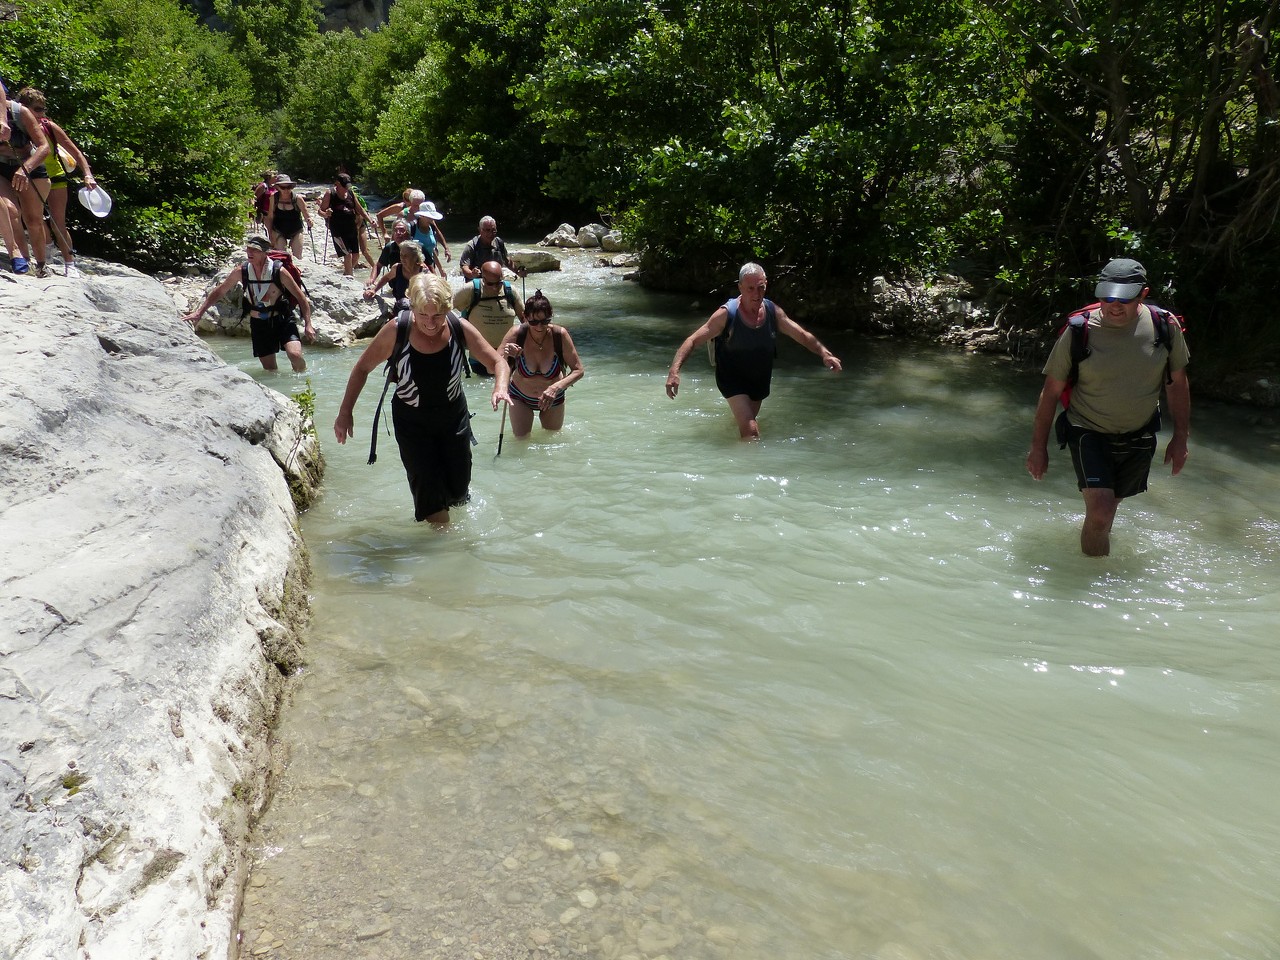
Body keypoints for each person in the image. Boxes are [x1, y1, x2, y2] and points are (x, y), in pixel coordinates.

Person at [1026, 257, 1191, 556]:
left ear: (1143, 293)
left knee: (1108, 509)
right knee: (1102, 511)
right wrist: (1038, 447)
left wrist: (1181, 438)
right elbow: (1050, 392)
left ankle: (1092, 538)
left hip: (1139, 433)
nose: (1114, 305)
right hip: (1088, 429)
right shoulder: (1078, 331)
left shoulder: (1164, 326)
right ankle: (1093, 587)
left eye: (1124, 299)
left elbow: (1176, 384)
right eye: (1107, 297)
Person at [333, 273, 510, 524]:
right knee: (430, 497)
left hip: (453, 417)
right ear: (412, 307)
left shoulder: (459, 327)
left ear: (447, 309)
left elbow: (497, 362)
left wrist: (500, 387)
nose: (430, 323)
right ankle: (446, 552)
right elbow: (362, 368)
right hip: (412, 421)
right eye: (423, 315)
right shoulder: (397, 330)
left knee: (459, 491)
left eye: (437, 315)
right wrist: (344, 413)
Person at [665, 262, 842, 439]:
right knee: (751, 431)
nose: (756, 294)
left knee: (748, 422)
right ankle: (745, 465)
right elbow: (693, 340)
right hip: (731, 377)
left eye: (761, 288)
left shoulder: (773, 312)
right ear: (740, 287)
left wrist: (824, 354)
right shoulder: (726, 314)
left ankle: (739, 435)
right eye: (750, 288)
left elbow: (802, 335)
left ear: (766, 285)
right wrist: (674, 371)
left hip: (759, 378)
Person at [182, 236, 314, 372]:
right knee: (270, 369)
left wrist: (308, 325)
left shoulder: (279, 272)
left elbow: (301, 297)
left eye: (255, 250)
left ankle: (303, 380)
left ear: (265, 252)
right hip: (259, 323)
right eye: (248, 249)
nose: (250, 253)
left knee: (295, 355)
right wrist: (199, 313)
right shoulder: (242, 271)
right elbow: (220, 291)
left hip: (282, 319)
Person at [15, 88, 94, 278]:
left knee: (58, 221)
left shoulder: (49, 126)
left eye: (44, 109)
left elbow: (75, 151)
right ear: (24, 108)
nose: (43, 113)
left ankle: (70, 263)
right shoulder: (16, 127)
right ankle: (46, 250)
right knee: (33, 219)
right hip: (31, 177)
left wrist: (87, 174)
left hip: (55, 176)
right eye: (38, 109)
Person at [498, 289, 584, 438]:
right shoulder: (516, 333)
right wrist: (506, 352)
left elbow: (578, 370)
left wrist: (556, 387)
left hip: (553, 397)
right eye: (533, 322)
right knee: (521, 441)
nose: (539, 327)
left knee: (552, 441)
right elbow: (493, 364)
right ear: (525, 317)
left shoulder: (559, 335)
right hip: (520, 396)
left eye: (545, 321)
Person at [0, 93, 50, 276]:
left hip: (30, 165)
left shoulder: (20, 112)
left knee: (33, 219)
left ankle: (42, 264)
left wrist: (25, 169)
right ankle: (23, 260)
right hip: (2, 168)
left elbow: (44, 147)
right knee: (11, 211)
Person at [453, 260, 525, 375]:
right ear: (483, 278)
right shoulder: (470, 290)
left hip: (508, 356)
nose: (495, 288)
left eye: (498, 283)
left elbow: (524, 320)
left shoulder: (510, 291)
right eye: (490, 284)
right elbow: (446, 310)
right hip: (480, 358)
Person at [317, 173, 368, 276]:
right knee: (347, 254)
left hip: (351, 227)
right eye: (344, 186)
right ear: (337, 184)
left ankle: (346, 273)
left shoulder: (350, 193)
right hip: (337, 229)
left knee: (356, 256)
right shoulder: (330, 194)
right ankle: (349, 277)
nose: (346, 189)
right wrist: (326, 214)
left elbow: (359, 209)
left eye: (347, 186)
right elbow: (320, 211)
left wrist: (370, 220)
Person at [265, 175, 313, 262]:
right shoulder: (273, 198)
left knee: (297, 257)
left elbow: (306, 215)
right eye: (283, 187)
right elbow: (270, 217)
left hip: (296, 229)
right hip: (278, 229)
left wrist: (309, 221)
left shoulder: (298, 199)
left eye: (289, 187)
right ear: (278, 187)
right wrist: (270, 234)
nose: (286, 190)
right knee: (281, 256)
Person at [458, 216, 523, 280]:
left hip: (496, 282)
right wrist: (472, 274)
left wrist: (518, 271)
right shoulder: (472, 245)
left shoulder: (499, 243)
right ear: (480, 230)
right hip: (477, 282)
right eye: (487, 230)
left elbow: (507, 261)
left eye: (493, 230)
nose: (490, 233)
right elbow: (464, 267)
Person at [364, 238, 425, 304]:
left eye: (406, 256)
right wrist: (374, 290)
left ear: (415, 257)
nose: (402, 258)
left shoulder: (423, 271)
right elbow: (386, 278)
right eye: (401, 255)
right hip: (401, 305)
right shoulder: (397, 268)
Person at [369, 217, 411, 284]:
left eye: (402, 230)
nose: (398, 233)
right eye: (395, 230)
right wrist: (371, 279)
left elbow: (428, 267)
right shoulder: (389, 247)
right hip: (396, 285)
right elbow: (378, 265)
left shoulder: (416, 247)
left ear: (408, 233)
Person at [253, 170, 277, 235]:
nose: (276, 178)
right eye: (274, 176)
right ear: (269, 177)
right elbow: (254, 198)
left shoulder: (272, 186)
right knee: (270, 231)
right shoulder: (263, 186)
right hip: (265, 213)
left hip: (274, 212)